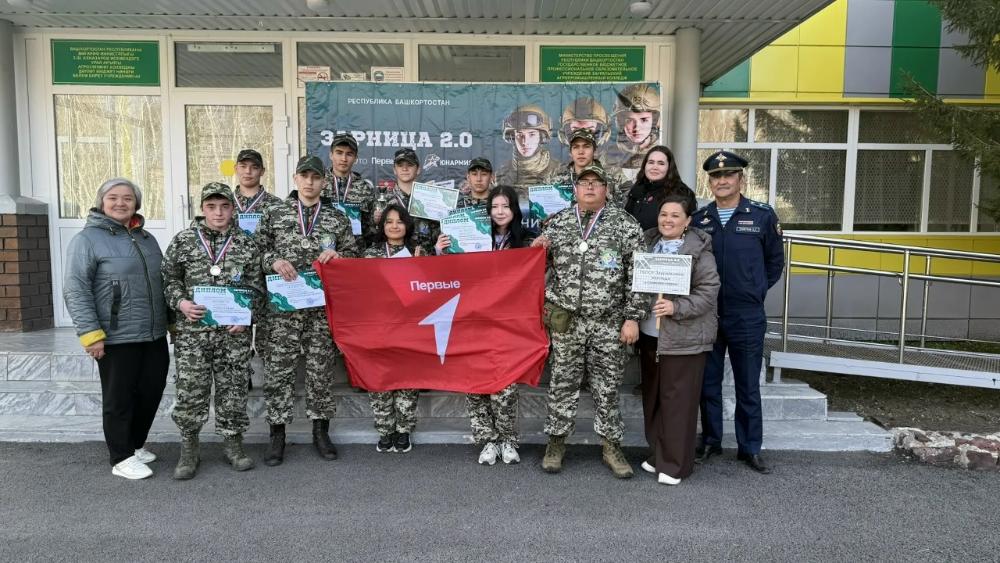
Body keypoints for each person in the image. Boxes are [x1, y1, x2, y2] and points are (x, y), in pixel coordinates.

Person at [531, 164, 646, 479]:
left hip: (608, 322)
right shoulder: (558, 224)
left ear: (606, 189)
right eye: (584, 182)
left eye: (597, 182)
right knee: (562, 384)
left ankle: (611, 446)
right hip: (567, 321)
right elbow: (536, 267)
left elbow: (638, 275)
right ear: (576, 189)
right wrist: (536, 250)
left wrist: (632, 317)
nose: (590, 187)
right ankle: (556, 443)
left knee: (607, 387)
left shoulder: (625, 225)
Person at [63, 178, 170, 480]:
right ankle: (121, 457)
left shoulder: (146, 238)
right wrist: (90, 334)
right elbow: (75, 289)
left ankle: (134, 445)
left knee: (151, 390)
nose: (120, 203)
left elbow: (162, 283)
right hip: (115, 335)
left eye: (127, 198)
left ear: (136, 204)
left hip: (153, 332)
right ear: (101, 202)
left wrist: (170, 321)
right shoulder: (86, 240)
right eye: (113, 197)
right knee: (119, 398)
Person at [257, 155, 360, 466]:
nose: (310, 182)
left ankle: (320, 431)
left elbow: (352, 255)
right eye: (304, 176)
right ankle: (277, 435)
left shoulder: (336, 218)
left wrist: (338, 256)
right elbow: (256, 250)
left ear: (324, 181)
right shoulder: (274, 212)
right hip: (283, 309)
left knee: (320, 370)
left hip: (320, 308)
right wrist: (273, 261)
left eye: (315, 177)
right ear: (295, 178)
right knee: (279, 370)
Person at [162, 182, 263, 480]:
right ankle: (189, 448)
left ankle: (233, 445)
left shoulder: (247, 244)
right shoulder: (183, 241)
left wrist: (247, 316)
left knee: (233, 390)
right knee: (191, 389)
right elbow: (168, 279)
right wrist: (181, 303)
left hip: (234, 334)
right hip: (193, 333)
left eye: (224, 206)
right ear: (202, 209)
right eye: (211, 206)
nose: (218, 213)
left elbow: (258, 288)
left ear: (233, 208)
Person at [691, 151, 784, 474]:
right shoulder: (700, 220)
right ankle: (711, 440)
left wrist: (755, 289)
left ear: (740, 179)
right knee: (708, 382)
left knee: (748, 383)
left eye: (728, 175)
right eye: (716, 176)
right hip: (708, 312)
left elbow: (775, 262)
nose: (722, 181)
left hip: (746, 313)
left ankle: (750, 447)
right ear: (710, 182)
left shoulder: (761, 215)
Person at [638, 194, 719, 486]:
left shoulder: (698, 250)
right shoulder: (647, 244)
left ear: (687, 221)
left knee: (679, 403)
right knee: (654, 399)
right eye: (664, 214)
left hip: (684, 338)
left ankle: (675, 464)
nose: (667, 220)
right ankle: (659, 453)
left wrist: (676, 307)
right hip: (651, 335)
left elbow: (708, 291)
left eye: (675, 215)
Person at [466, 185, 534, 466]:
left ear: (514, 210)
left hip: (508, 324)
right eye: (494, 207)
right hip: (474, 320)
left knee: (505, 386)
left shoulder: (526, 242)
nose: (500, 212)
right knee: (475, 383)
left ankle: (507, 439)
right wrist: (441, 250)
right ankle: (487, 440)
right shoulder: (472, 237)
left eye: (505, 206)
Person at [361, 203, 425, 453]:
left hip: (409, 326)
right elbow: (360, 288)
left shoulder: (418, 251)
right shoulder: (370, 254)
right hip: (378, 326)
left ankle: (404, 429)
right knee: (380, 377)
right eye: (389, 221)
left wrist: (421, 265)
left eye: (399, 221)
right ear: (382, 225)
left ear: (407, 225)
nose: (394, 226)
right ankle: (385, 429)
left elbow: (429, 289)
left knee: (407, 378)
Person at [232, 148, 283, 393]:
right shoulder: (224, 203)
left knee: (268, 329)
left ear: (262, 171)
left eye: (254, 167)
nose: (248, 172)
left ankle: (270, 375)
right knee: (236, 327)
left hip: (267, 276)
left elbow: (284, 241)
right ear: (236, 169)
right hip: (234, 276)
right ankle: (242, 372)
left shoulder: (277, 205)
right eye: (243, 166)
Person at [548, 128, 627, 208]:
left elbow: (620, 211)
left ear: (594, 151)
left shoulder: (609, 181)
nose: (581, 152)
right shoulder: (557, 182)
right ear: (570, 152)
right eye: (576, 147)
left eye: (586, 146)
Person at [322, 133, 379, 246]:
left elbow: (370, 226)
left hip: (355, 251)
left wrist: (376, 219)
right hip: (323, 249)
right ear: (331, 155)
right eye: (339, 153)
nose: (344, 159)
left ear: (355, 158)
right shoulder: (318, 184)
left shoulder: (365, 188)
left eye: (349, 154)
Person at [380, 147, 439, 254]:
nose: (405, 169)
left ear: (418, 169)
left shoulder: (431, 198)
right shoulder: (383, 200)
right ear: (394, 170)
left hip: (426, 258)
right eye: (400, 165)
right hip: (394, 258)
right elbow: (375, 235)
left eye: (410, 165)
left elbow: (439, 233)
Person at [624, 146, 695, 232]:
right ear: (645, 165)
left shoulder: (680, 193)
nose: (655, 167)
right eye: (651, 162)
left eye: (661, 163)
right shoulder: (637, 189)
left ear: (669, 167)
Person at [495, 105, 561, 192]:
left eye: (532, 134)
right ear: (512, 137)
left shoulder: (558, 171)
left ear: (541, 137)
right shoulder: (501, 175)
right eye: (519, 135)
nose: (525, 142)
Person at [604, 84, 662, 171]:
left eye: (644, 120)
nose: (637, 128)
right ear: (620, 122)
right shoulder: (607, 156)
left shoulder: (663, 154)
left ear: (655, 121)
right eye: (629, 120)